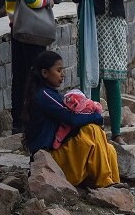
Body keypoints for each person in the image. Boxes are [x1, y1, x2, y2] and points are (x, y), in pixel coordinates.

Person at [70, 0, 132, 145]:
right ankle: (95, 131)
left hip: (113, 25)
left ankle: (116, 132)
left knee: (113, 80)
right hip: (91, 25)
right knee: (92, 78)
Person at [24, 50, 120, 188]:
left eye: (62, 70)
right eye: (58, 70)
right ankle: (105, 182)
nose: (63, 74)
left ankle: (113, 183)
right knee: (91, 130)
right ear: (45, 73)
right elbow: (71, 119)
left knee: (108, 148)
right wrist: (95, 117)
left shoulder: (50, 93)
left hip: (58, 156)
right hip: (50, 160)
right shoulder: (44, 95)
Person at [2, 0, 53, 134]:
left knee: (19, 76)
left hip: (16, 29)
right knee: (38, 75)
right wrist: (47, 0)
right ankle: (36, 118)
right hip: (32, 32)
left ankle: (17, 121)